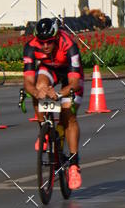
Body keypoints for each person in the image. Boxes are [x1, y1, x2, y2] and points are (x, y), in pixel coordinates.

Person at [23, 17, 84, 190]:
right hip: (49, 69)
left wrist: (58, 94)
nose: (45, 46)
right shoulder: (31, 46)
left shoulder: (69, 45)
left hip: (70, 74)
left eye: (49, 42)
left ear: (56, 37)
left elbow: (74, 83)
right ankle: (45, 129)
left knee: (68, 115)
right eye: (42, 42)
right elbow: (27, 82)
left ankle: (74, 165)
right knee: (38, 86)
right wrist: (37, 92)